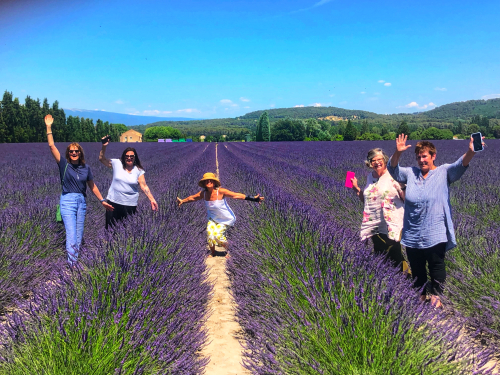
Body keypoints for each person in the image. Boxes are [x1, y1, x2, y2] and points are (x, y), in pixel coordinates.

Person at [388, 134, 484, 308]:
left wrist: (471, 151)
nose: (421, 160)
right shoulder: (411, 173)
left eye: (424, 156)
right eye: (418, 157)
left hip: (435, 230)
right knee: (417, 269)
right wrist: (397, 152)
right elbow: (393, 169)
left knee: (436, 266)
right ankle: (421, 296)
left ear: (433, 156)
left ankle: (437, 297)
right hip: (413, 232)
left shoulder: (444, 172)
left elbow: (461, 164)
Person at [45, 114, 113, 265]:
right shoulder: (64, 164)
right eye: (71, 152)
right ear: (68, 154)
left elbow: (92, 186)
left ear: (80, 153)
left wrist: (102, 200)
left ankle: (73, 261)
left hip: (82, 202)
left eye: (76, 151)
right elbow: (52, 146)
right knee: (71, 233)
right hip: (67, 200)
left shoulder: (85, 168)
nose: (74, 153)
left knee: (79, 233)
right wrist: (49, 127)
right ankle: (72, 265)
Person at [177, 172, 264, 257]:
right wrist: (182, 201)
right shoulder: (203, 193)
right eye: (206, 181)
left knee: (218, 236)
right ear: (204, 183)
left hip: (225, 219)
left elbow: (236, 195)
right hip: (213, 218)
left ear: (214, 182)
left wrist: (253, 198)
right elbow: (192, 198)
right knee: (210, 235)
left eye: (211, 180)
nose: (209, 182)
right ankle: (213, 253)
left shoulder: (221, 191)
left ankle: (229, 250)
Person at [351, 148, 407, 272]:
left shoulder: (393, 175)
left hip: (392, 222)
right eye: (373, 160)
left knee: (394, 252)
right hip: (374, 223)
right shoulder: (370, 177)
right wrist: (356, 188)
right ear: (370, 163)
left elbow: (405, 196)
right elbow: (368, 200)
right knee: (380, 254)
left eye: (379, 160)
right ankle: (387, 280)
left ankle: (407, 279)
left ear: (385, 160)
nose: (377, 163)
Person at [99, 135, 158, 229]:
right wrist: (104, 146)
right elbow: (102, 159)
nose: (129, 158)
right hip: (113, 202)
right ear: (124, 157)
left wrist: (152, 199)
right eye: (127, 156)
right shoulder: (117, 163)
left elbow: (144, 185)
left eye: (131, 156)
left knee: (126, 232)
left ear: (135, 157)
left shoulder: (138, 170)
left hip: (130, 205)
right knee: (109, 231)